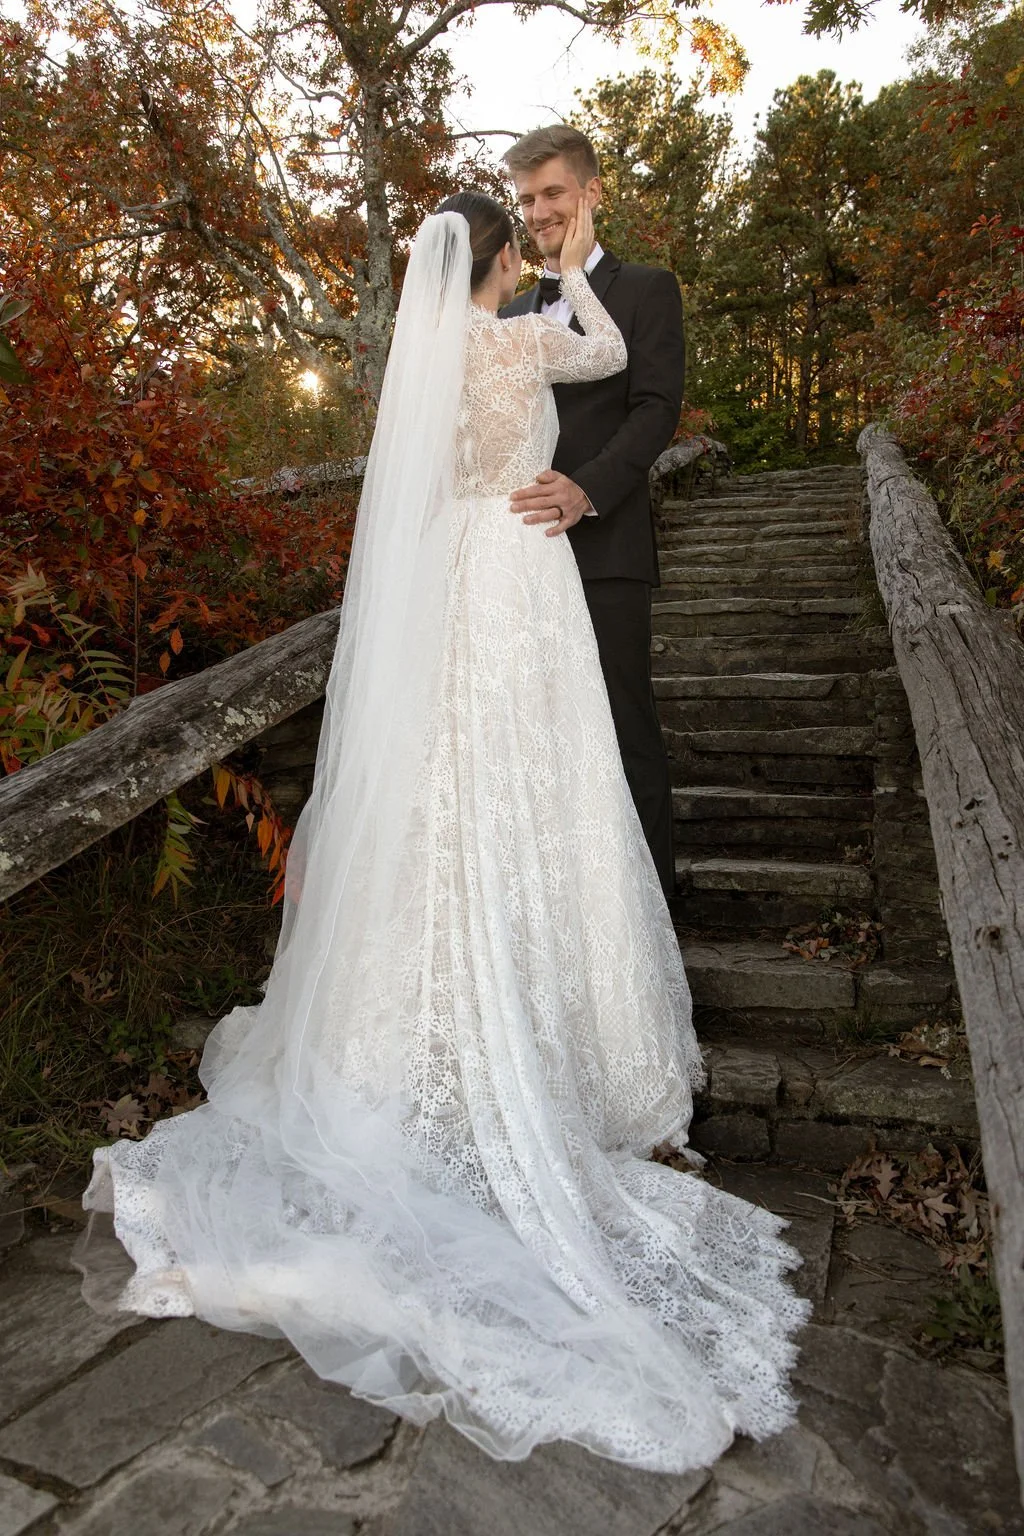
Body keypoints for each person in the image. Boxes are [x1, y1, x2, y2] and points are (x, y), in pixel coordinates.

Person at [73, 192, 809, 1474]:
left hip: (459, 569)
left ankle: (406, 1032)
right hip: (522, 570)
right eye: (519, 240)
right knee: (543, 777)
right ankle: (575, 1059)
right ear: (503, 255)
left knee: (447, 788)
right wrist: (573, 273)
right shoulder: (526, 335)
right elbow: (612, 355)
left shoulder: (425, 360)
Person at [500, 125, 682, 901]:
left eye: (552, 194)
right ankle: (565, 919)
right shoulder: (504, 315)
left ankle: (654, 923)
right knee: (537, 741)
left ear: (591, 192)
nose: (538, 212)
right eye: (526, 199)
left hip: (607, 550)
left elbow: (655, 409)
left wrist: (587, 488)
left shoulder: (647, 289)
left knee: (622, 732)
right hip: (517, 555)